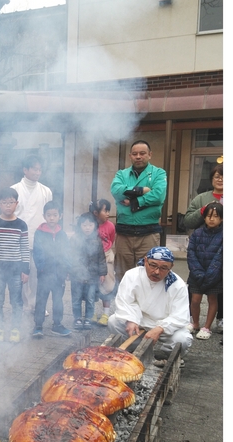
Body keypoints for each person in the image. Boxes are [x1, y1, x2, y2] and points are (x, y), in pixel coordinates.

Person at [107, 246, 193, 367]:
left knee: (183, 339)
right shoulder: (132, 275)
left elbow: (180, 315)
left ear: (171, 267)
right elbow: (125, 301)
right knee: (113, 321)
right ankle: (135, 349)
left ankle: (169, 356)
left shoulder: (178, 285)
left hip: (163, 324)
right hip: (139, 320)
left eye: (163, 268)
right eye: (153, 265)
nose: (157, 272)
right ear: (145, 261)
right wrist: (130, 319)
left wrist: (159, 328)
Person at [110, 140, 167, 283]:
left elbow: (158, 196)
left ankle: (146, 306)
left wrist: (135, 202)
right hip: (124, 233)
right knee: (123, 276)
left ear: (150, 155)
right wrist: (142, 190)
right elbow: (116, 190)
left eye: (142, 153)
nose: (138, 156)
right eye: (135, 154)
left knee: (149, 274)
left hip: (148, 233)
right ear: (130, 156)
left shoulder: (158, 173)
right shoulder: (122, 174)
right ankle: (124, 305)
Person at [0, 187, 30, 343]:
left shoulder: (21, 225)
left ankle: (15, 328)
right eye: (4, 202)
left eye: (11, 202)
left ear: (16, 203)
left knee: (16, 301)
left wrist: (26, 269)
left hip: (16, 270)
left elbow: (24, 248)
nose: (8, 205)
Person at [183, 163, 223, 333]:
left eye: (224, 176)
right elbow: (188, 221)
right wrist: (202, 211)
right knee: (196, 290)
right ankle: (194, 321)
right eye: (217, 176)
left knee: (223, 287)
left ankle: (222, 319)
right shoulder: (201, 198)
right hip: (203, 247)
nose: (221, 179)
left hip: (223, 245)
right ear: (212, 179)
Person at [11, 153, 52, 312]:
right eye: (34, 169)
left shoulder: (46, 191)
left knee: (36, 275)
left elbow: (49, 215)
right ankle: (22, 303)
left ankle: (36, 304)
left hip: (39, 239)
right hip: (18, 239)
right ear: (25, 170)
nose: (37, 172)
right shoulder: (14, 190)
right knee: (20, 275)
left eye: (40, 170)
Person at [32, 200, 71, 338]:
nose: (52, 218)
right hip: (44, 273)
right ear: (44, 216)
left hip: (59, 273)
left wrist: (67, 269)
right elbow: (36, 251)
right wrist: (41, 268)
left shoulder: (62, 234)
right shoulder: (39, 232)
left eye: (55, 215)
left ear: (60, 216)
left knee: (58, 300)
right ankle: (38, 326)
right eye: (49, 215)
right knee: (41, 299)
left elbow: (67, 252)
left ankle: (57, 325)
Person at [186, 202, 223, 340]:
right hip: (197, 273)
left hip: (215, 275)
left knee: (212, 299)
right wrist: (198, 272)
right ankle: (195, 323)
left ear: (222, 218)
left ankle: (207, 327)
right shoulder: (197, 233)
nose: (211, 219)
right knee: (195, 300)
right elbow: (191, 253)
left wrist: (211, 274)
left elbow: (220, 257)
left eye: (215, 216)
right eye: (208, 216)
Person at [70, 211, 107, 330]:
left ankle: (88, 318)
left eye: (90, 225)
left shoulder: (97, 240)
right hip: (77, 275)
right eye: (84, 225)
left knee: (90, 299)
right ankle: (77, 318)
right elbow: (69, 256)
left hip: (92, 275)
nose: (87, 228)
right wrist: (69, 271)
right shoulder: (75, 239)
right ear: (80, 226)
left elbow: (101, 257)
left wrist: (102, 272)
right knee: (76, 298)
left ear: (94, 226)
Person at [90, 199, 117, 325]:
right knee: (92, 286)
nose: (107, 214)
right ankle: (93, 312)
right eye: (105, 211)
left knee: (107, 286)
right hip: (92, 258)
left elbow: (111, 240)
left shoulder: (110, 226)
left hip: (106, 257)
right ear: (95, 212)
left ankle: (106, 314)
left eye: (108, 211)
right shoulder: (90, 225)